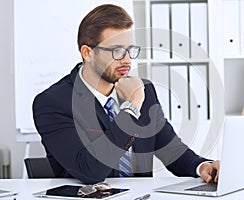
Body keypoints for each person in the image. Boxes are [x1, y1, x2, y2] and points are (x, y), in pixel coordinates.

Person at [33, 4, 220, 184]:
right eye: (117, 51)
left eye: (130, 50)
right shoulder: (53, 103)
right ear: (87, 53)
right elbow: (90, 171)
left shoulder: (143, 91)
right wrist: (131, 107)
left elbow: (171, 150)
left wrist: (202, 166)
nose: (127, 60)